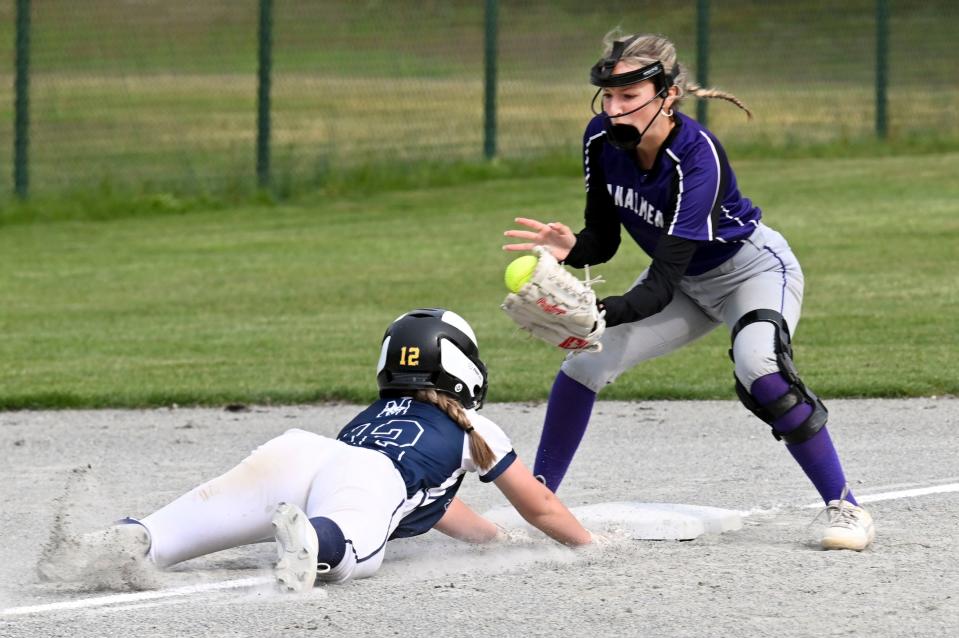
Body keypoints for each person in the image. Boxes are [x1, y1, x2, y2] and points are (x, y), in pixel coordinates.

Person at [503, 32, 874, 551]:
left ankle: (845, 506)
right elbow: (604, 239)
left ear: (667, 95)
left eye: (629, 97)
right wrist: (572, 249)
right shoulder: (600, 141)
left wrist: (596, 311)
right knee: (585, 364)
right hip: (683, 284)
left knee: (759, 368)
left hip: (750, 272)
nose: (614, 109)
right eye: (608, 97)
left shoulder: (697, 157)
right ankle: (541, 498)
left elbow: (660, 282)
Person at [40, 309, 595, 591]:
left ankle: (113, 540)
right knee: (352, 549)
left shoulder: (371, 415)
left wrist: (494, 539)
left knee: (180, 528)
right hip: (363, 481)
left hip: (300, 454)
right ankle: (314, 540)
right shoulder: (472, 426)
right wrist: (590, 543)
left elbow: (438, 503)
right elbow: (539, 505)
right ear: (459, 368)